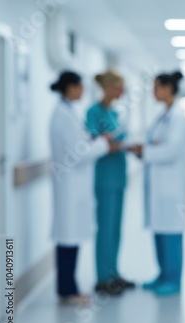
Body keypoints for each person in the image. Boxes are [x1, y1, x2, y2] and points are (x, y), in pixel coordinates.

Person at [49, 71, 119, 305]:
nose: (83, 91)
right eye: (80, 86)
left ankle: (68, 289)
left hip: (74, 186)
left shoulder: (68, 112)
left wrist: (95, 141)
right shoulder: (61, 115)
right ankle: (68, 291)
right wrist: (102, 143)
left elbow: (79, 145)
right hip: (70, 186)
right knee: (68, 238)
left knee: (71, 238)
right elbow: (77, 154)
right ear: (69, 87)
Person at [129, 72, 185, 297]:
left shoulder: (178, 116)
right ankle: (162, 275)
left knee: (171, 232)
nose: (153, 92)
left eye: (156, 87)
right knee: (159, 230)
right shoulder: (163, 115)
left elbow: (172, 150)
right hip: (159, 185)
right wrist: (145, 149)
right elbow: (156, 144)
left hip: (170, 187)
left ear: (167, 88)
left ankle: (173, 279)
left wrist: (146, 151)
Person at [86, 70, 134, 295]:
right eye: (119, 87)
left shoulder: (114, 113)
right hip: (105, 178)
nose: (122, 92)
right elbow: (95, 142)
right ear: (108, 87)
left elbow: (116, 141)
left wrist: (117, 143)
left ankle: (114, 273)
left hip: (118, 176)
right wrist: (114, 143)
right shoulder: (93, 112)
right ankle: (102, 278)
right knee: (104, 228)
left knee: (115, 229)